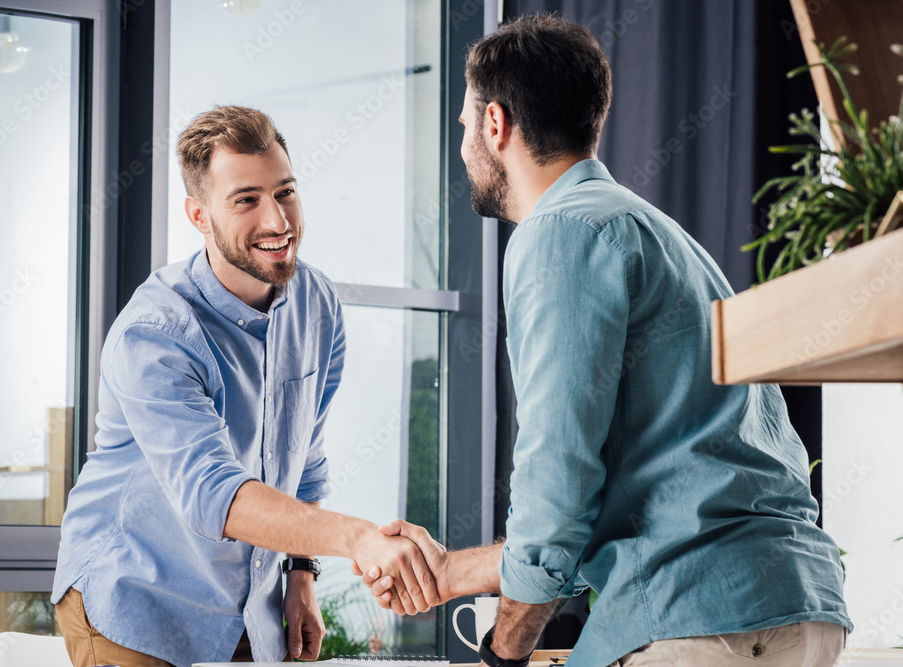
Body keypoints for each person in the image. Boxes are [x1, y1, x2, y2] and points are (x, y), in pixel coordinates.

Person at [359, 15, 852, 667]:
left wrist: (504, 652)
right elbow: (662, 489)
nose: (461, 147)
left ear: (496, 124)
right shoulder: (659, 236)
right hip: (795, 609)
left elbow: (557, 482)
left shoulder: (559, 235)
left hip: (698, 623)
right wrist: (448, 570)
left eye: (461, 127)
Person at [51, 106, 438, 667]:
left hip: (246, 605)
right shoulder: (155, 334)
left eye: (285, 192)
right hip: (136, 598)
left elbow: (304, 457)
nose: (277, 220)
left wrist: (302, 575)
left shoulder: (317, 303)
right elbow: (216, 494)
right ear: (199, 215)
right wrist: (359, 540)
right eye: (246, 200)